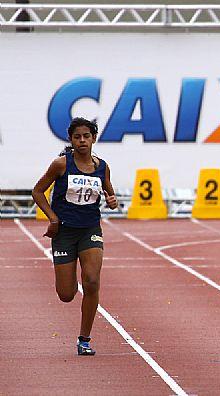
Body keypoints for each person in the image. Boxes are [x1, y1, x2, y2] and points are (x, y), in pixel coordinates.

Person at [32, 117, 118, 356]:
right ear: (71, 140)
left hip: (90, 230)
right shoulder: (61, 165)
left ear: (93, 139)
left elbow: (111, 197)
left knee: (91, 281)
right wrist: (52, 218)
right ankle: (67, 277)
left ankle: (85, 339)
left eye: (86, 136)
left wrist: (112, 201)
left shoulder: (102, 167)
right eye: (77, 137)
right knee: (66, 294)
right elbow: (37, 191)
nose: (82, 141)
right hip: (64, 233)